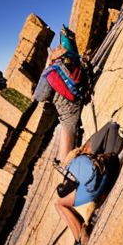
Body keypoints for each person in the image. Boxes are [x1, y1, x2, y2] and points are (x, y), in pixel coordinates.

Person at [54, 121, 123, 245]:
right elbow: (111, 126)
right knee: (111, 128)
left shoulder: (84, 166)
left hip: (99, 182)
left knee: (59, 204)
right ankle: (79, 238)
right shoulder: (106, 157)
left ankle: (80, 239)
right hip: (108, 169)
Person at [33, 25, 85, 164]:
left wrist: (47, 67)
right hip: (78, 94)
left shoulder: (54, 69)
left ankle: (64, 163)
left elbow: (40, 96)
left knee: (67, 126)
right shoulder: (73, 58)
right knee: (67, 122)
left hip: (69, 104)